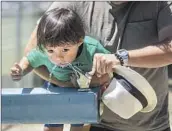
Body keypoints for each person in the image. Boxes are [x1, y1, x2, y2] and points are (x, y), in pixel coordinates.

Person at [24, 1, 172, 131]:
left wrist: (120, 58)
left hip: (150, 125)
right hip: (96, 123)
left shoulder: (160, 3)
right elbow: (32, 50)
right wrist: (67, 83)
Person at [10, 8, 112, 131]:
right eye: (51, 51)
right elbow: (29, 60)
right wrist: (20, 70)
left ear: (80, 40)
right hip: (55, 89)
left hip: (83, 93)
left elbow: (110, 67)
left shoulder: (92, 49)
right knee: (52, 127)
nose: (58, 57)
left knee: (80, 127)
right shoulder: (43, 50)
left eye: (65, 50)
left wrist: (94, 80)